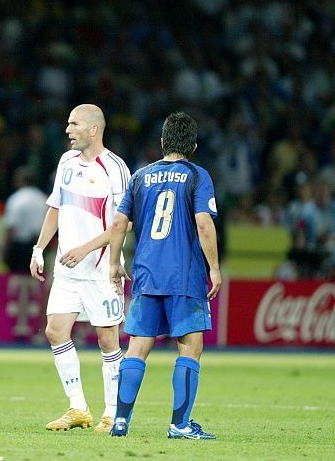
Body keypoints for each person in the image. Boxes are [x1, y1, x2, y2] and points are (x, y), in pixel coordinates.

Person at [108, 112, 221, 439]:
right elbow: (203, 223)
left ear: (162, 142)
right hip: (184, 277)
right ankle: (180, 425)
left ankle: (120, 420)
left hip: (146, 275)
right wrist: (214, 268)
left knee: (137, 347)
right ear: (194, 146)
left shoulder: (140, 176)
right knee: (190, 346)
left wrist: (114, 262)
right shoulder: (198, 176)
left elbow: (118, 224)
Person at [30, 104, 130, 433]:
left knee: (107, 339)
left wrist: (86, 248)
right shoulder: (66, 162)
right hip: (68, 271)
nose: (67, 129)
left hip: (102, 270)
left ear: (93, 129)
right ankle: (78, 408)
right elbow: (56, 206)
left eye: (73, 124)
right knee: (55, 330)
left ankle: (113, 413)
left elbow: (123, 225)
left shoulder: (115, 168)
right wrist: (39, 248)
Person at [2, 165, 48, 272]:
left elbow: (11, 227)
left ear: (20, 180)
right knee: (36, 277)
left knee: (18, 277)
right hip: (40, 245)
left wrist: (5, 250)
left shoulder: (17, 199)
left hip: (20, 248)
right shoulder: (42, 198)